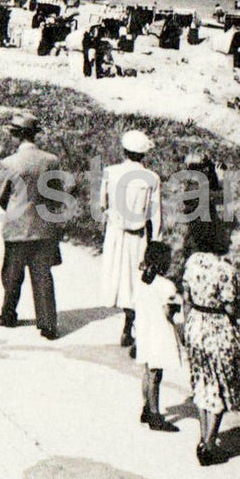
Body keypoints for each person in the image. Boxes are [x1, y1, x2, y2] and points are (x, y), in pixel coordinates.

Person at [180, 215, 240, 466]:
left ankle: (205, 437)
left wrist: (188, 324)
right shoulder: (226, 269)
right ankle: (208, 443)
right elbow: (230, 307)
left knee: (203, 383)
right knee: (219, 386)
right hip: (218, 330)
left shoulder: (193, 261)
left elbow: (186, 296)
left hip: (196, 324)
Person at [0, 111, 63, 340]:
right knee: (43, 275)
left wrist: (12, 209)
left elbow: (0, 195)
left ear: (17, 136)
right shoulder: (51, 160)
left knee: (12, 273)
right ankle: (48, 324)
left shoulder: (9, 163)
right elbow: (57, 195)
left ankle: (8, 314)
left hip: (17, 227)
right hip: (44, 227)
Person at [98, 129, 163, 348]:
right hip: (139, 236)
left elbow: (102, 205)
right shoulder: (152, 178)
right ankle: (131, 325)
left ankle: (129, 325)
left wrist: (110, 218)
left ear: (124, 151)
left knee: (119, 278)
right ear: (143, 154)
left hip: (116, 234)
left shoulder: (110, 172)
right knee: (138, 282)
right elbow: (156, 214)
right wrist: (156, 240)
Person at [133, 241, 181, 433]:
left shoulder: (140, 280)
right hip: (158, 333)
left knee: (147, 371)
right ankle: (155, 414)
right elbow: (168, 313)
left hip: (144, 330)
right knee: (156, 374)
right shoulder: (166, 286)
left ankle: (146, 407)